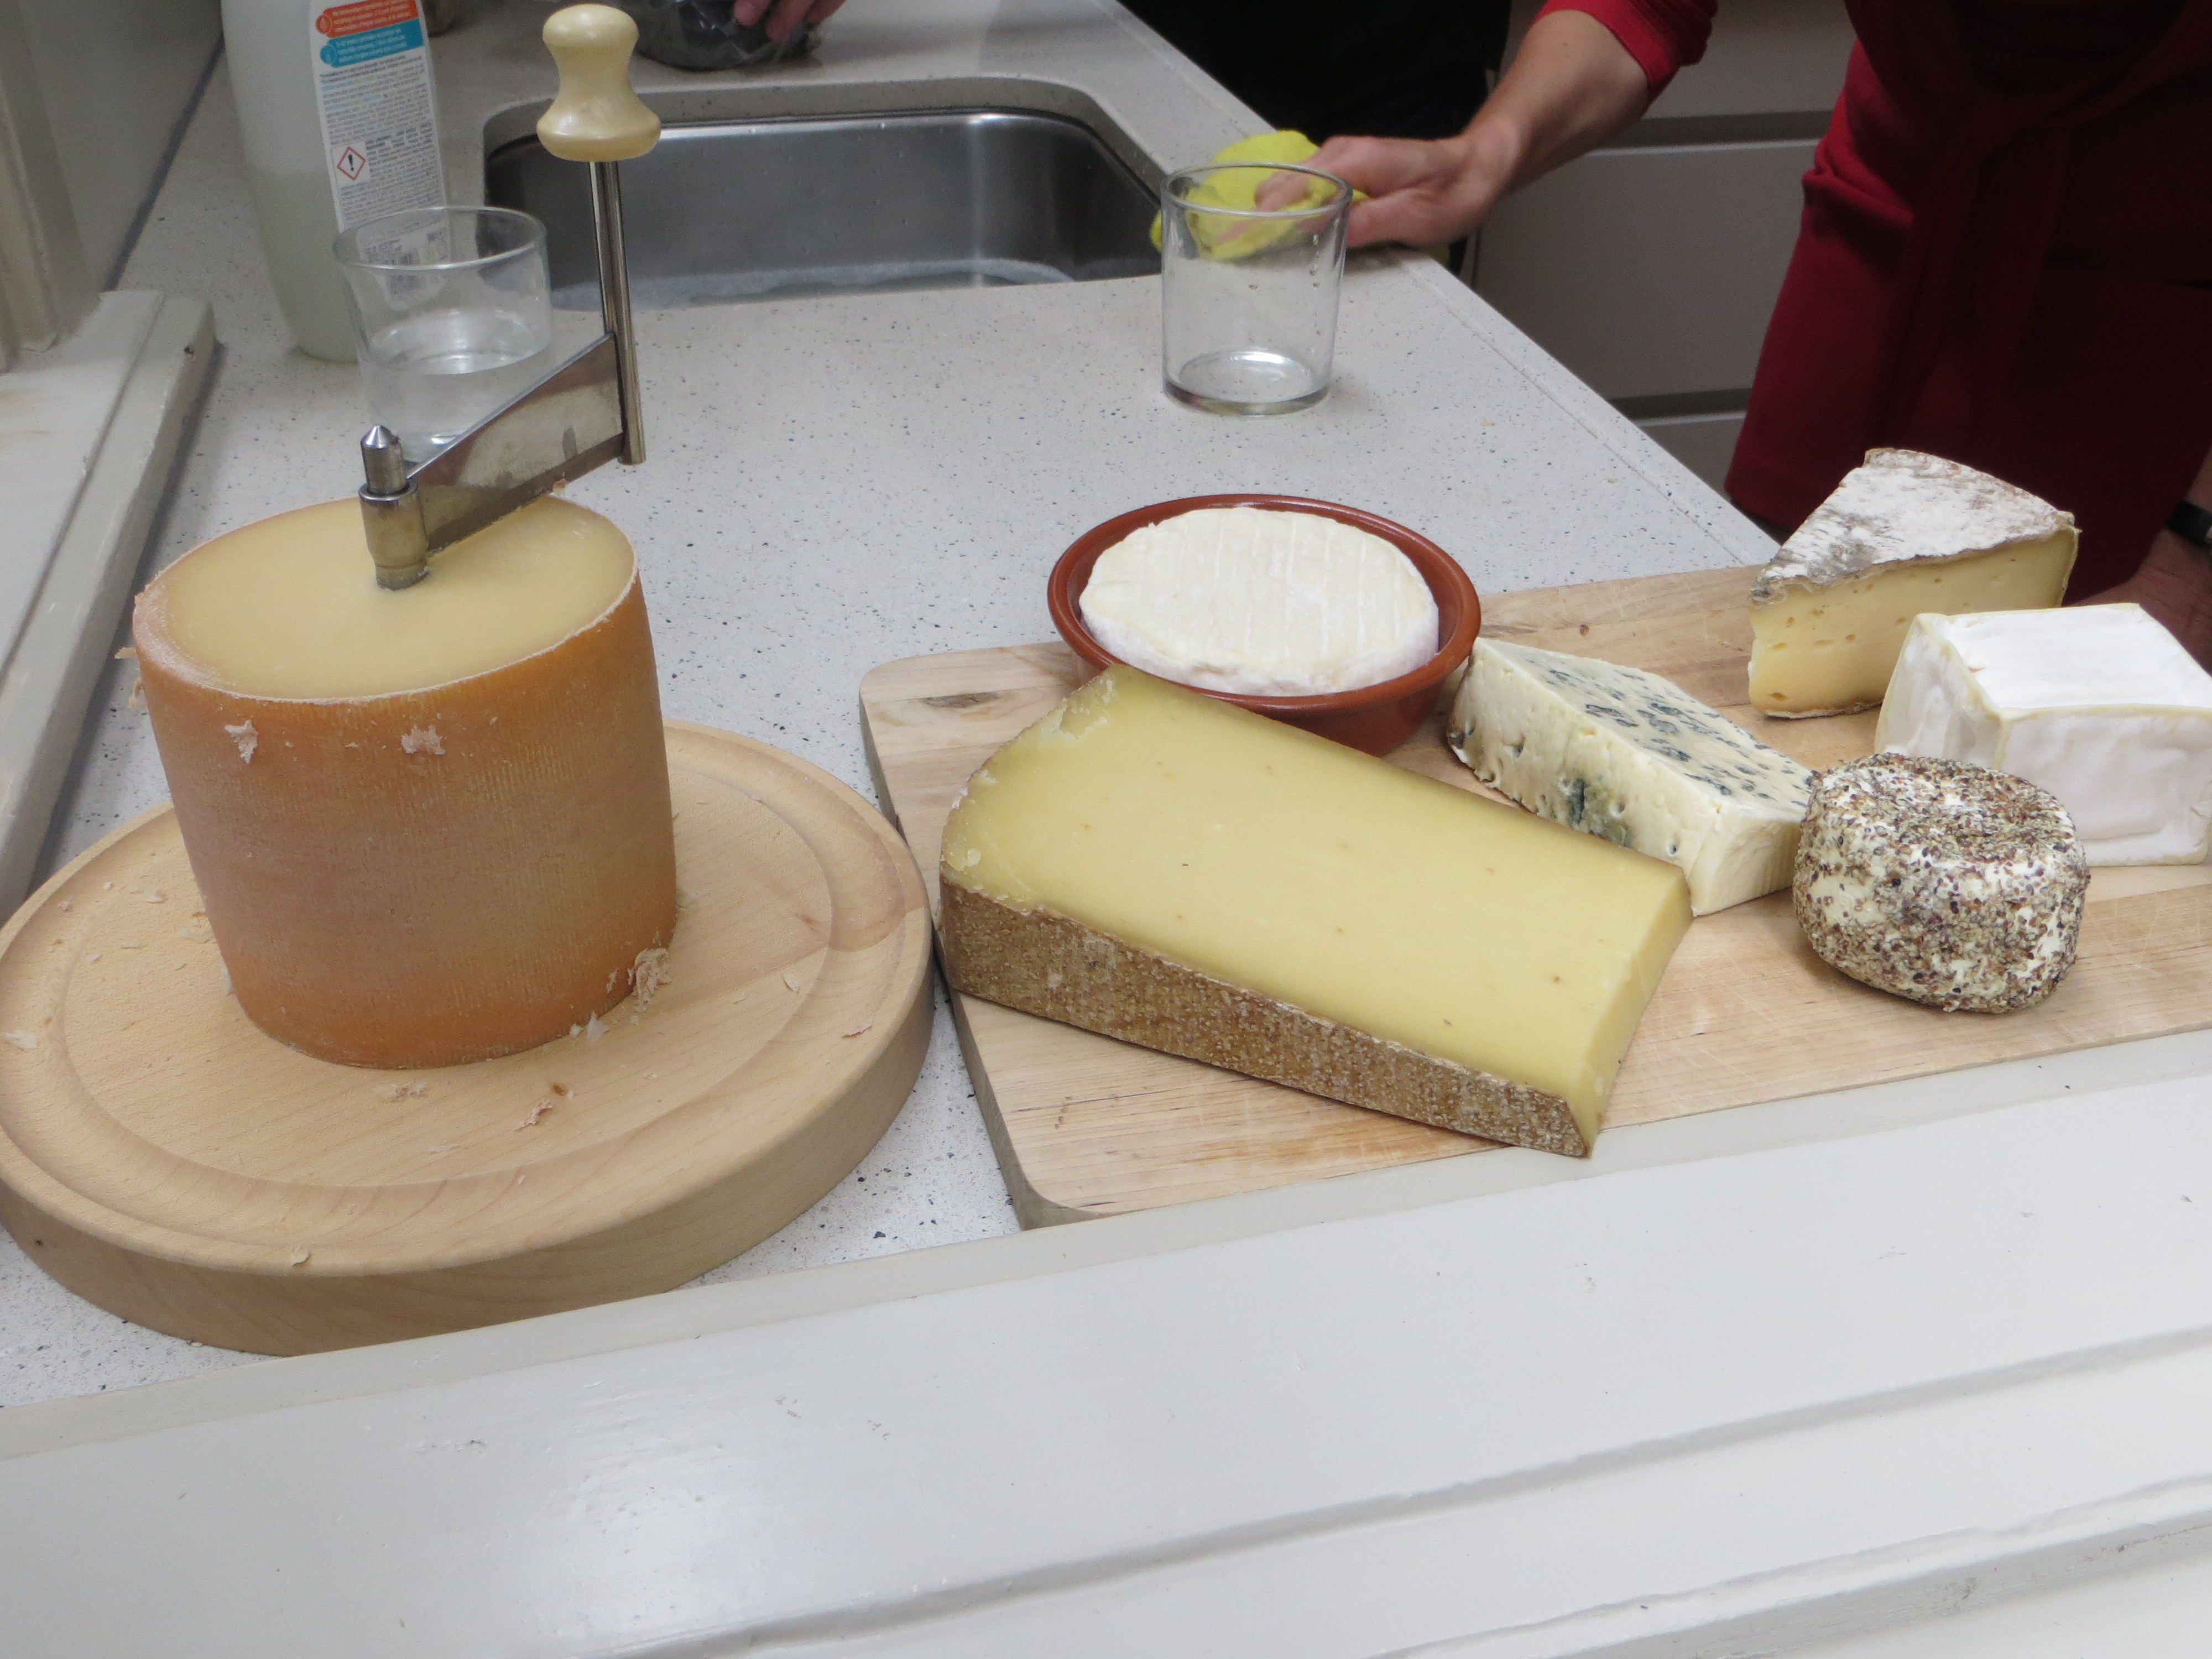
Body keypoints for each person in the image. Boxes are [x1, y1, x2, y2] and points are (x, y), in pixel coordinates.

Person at [1300, 2, 2212, 666]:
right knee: (1778, 643)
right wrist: (1494, 146)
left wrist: (2193, 564)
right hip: (1896, 220)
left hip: (2157, 330)